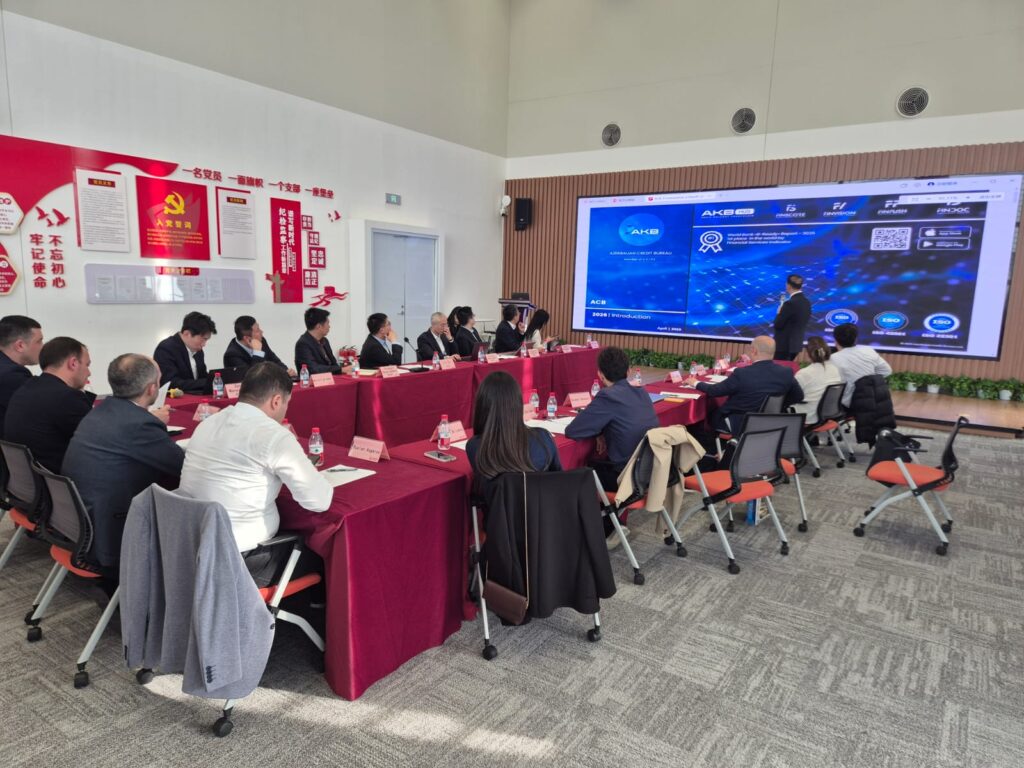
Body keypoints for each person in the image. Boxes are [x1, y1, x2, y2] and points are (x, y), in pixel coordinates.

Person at [178, 362, 333, 586]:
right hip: (241, 558)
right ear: (276, 401)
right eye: (287, 403)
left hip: (191, 545)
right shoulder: (273, 435)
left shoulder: (209, 422)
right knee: (321, 555)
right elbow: (318, 501)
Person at [61, 354, 185, 588]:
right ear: (152, 389)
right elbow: (183, 466)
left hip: (76, 520)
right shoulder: (139, 424)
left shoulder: (101, 410)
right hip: (109, 535)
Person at [565, 346, 659, 542]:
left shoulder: (608, 396)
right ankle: (609, 525)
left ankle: (593, 533)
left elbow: (573, 431)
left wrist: (597, 430)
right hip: (651, 472)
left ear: (600, 374)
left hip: (625, 478)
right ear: (628, 371)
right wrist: (600, 431)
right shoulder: (641, 392)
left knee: (573, 474)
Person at [4, 337, 95, 472]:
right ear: (73, 363)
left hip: (33, 478)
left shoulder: (26, 389)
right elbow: (100, 440)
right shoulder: (66, 397)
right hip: (62, 478)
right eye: (87, 365)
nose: (89, 373)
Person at [686, 336, 804, 435]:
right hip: (769, 422)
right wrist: (775, 407)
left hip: (738, 423)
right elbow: (798, 396)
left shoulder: (742, 373)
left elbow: (715, 391)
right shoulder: (786, 372)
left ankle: (708, 449)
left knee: (704, 416)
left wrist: (695, 382)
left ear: (754, 351)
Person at [466, 371, 562, 490]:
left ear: (481, 408)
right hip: (542, 501)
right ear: (518, 405)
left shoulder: (474, 446)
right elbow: (559, 480)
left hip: (500, 502)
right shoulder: (543, 438)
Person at [831, 323, 892, 408]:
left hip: (848, 404)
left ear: (835, 340)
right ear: (856, 339)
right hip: (872, 401)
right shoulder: (868, 350)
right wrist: (868, 380)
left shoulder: (833, 358)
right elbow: (887, 371)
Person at [154, 311, 217, 394]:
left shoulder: (198, 351)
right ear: (187, 334)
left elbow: (202, 376)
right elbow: (170, 383)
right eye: (203, 339)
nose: (204, 344)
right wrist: (205, 382)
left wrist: (216, 379)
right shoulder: (166, 348)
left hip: (195, 396)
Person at [0, 315, 43, 436]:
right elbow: (42, 409)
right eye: (39, 341)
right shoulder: (13, 375)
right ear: (20, 345)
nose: (43, 347)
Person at [224, 315, 296, 376]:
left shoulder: (262, 341)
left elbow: (275, 361)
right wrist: (257, 352)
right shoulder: (232, 355)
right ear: (247, 339)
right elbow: (253, 377)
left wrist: (286, 372)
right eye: (257, 330)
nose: (262, 332)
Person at [793, 336, 842, 419]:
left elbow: (791, 395)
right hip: (826, 415)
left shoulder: (805, 373)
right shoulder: (834, 369)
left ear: (808, 353)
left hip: (805, 415)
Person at [295, 307, 349, 375]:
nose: (329, 326)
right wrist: (341, 369)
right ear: (319, 326)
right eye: (327, 323)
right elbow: (313, 369)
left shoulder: (324, 341)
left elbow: (333, 364)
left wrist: (343, 369)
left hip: (330, 379)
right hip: (313, 381)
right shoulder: (303, 344)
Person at [773, 274, 811, 361]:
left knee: (779, 368)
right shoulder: (806, 302)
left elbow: (778, 324)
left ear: (788, 286)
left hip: (783, 346)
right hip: (796, 346)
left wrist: (778, 313)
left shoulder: (789, 303)